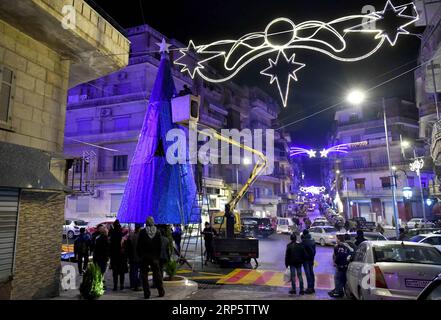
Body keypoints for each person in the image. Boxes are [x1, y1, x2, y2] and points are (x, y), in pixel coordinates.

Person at [137, 217, 164, 299]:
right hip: (155, 257)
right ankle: (161, 291)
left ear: (146, 223)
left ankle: (147, 293)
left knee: (144, 275)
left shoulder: (142, 232)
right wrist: (158, 257)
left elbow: (139, 246)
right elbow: (160, 246)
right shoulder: (158, 232)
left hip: (144, 257)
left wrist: (140, 256)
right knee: (157, 275)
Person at [328, 234, 354, 298]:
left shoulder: (344, 246)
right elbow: (335, 255)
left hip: (343, 266)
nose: (336, 240)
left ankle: (339, 292)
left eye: (336, 238)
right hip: (340, 265)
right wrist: (335, 262)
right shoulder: (337, 246)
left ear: (339, 239)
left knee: (338, 278)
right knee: (340, 278)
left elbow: (350, 252)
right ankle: (338, 290)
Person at [108, 220, 128, 291]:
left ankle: (115, 286)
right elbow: (125, 246)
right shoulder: (122, 234)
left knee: (115, 272)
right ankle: (122, 285)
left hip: (114, 256)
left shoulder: (112, 234)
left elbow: (110, 246)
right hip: (122, 256)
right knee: (122, 272)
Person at [126, 223, 142, 291]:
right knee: (141, 271)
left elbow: (128, 247)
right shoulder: (141, 237)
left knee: (133, 271)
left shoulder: (131, 236)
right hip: (140, 257)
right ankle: (139, 284)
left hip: (133, 256)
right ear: (139, 229)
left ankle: (133, 284)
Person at [301, 230, 316, 294]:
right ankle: (312, 288)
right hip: (311, 259)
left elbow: (302, 251)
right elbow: (314, 251)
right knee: (311, 273)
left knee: (308, 274)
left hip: (306, 260)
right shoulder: (312, 241)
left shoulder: (304, 242)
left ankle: (309, 289)